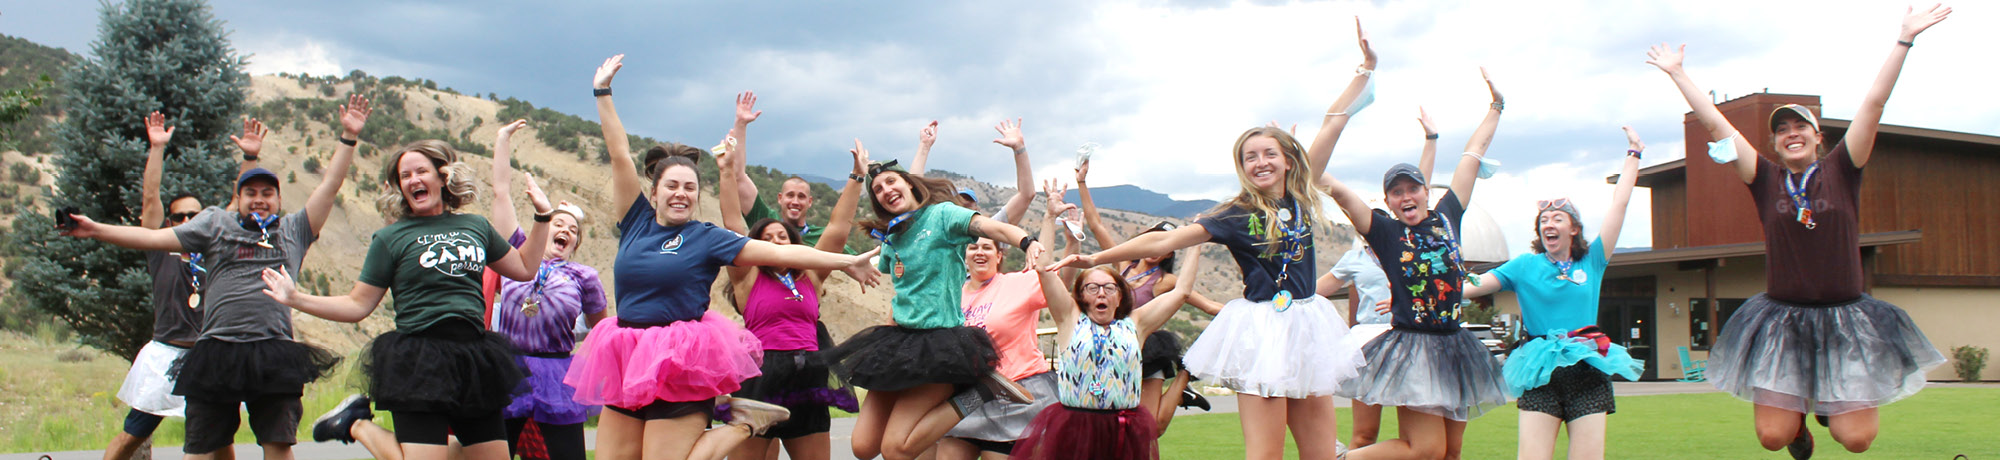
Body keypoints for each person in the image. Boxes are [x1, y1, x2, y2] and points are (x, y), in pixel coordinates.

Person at [1047, 18, 1377, 460]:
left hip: (1307, 328)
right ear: (1242, 166)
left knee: (1319, 454)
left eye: (1269, 154)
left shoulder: (1301, 194)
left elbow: (1332, 126)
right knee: (1265, 455)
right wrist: (1097, 257)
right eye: (1250, 156)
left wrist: (1363, 72)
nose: (1260, 162)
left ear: (1286, 160)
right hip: (1262, 331)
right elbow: (1161, 244)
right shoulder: (1235, 214)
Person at [1644, 6, 1951, 457]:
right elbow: (1716, 124)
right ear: (1773, 142)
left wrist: (1904, 39)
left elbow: (1874, 104)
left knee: (1857, 441)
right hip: (1783, 321)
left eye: (1799, 126)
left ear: (1817, 135)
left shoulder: (1844, 168)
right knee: (1773, 438)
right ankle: (1799, 428)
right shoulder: (1765, 178)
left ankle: (1827, 408)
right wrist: (1679, 74)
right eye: (1782, 129)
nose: (1791, 133)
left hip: (1847, 318)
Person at [570, 54, 883, 460]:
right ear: (654, 193)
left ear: (698, 196)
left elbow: (775, 249)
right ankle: (744, 421)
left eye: (689, 187)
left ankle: (742, 426)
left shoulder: (707, 238)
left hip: (678, 358)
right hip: (627, 352)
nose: (681, 193)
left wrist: (845, 262)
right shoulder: (635, 223)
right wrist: (602, 92)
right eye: (672, 186)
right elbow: (619, 153)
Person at [62, 96, 369, 460]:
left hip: (272, 350)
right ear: (237, 199)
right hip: (217, 351)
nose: (259, 199)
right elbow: (151, 235)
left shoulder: (295, 230)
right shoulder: (214, 225)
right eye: (250, 193)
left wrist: (348, 137)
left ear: (279, 199)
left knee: (278, 443)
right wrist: (95, 229)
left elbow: (330, 186)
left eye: (267, 193)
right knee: (202, 448)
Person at [261, 137, 559, 460]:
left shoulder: (476, 226)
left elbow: (526, 268)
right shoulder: (391, 238)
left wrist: (542, 217)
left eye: (421, 171)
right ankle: (357, 424)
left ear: (443, 176)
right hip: (419, 360)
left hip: (474, 359)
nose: (413, 180)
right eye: (405, 176)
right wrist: (295, 298)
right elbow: (357, 304)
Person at [827, 122, 1049, 460]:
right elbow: (887, 258)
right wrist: (851, 264)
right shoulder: (893, 236)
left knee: (895, 450)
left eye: (891, 181)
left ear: (909, 185)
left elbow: (988, 226)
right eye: (878, 190)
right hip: (897, 342)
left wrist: (1025, 240)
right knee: (862, 447)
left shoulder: (944, 216)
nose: (885, 190)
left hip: (939, 346)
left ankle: (978, 392)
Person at [1322, 68, 1509, 460]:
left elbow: (1472, 158)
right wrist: (1301, 156)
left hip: (1456, 345)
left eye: (1412, 188)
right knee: (1425, 449)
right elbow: (1337, 190)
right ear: (1388, 201)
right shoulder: (1386, 233)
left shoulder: (1447, 217)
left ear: (1426, 191)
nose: (1405, 196)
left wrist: (1496, 107)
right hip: (1414, 348)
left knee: (1450, 453)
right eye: (1396, 192)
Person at [1458, 127, 1647, 460]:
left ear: (1573, 228)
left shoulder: (1593, 260)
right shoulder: (1524, 266)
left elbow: (1620, 203)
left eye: (1557, 218)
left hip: (1587, 370)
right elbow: (1475, 285)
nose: (1549, 224)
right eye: (1544, 219)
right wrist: (1429, 289)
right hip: (1539, 370)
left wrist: (1633, 154)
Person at [101, 112, 259, 460]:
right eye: (180, 217)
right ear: (171, 222)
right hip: (165, 356)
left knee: (220, 440)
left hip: (209, 357)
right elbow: (149, 198)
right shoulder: (161, 249)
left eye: (194, 216)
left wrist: (249, 158)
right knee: (133, 433)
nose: (188, 221)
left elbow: (236, 204)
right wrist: (157, 148)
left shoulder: (216, 247)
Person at [715, 116, 868, 460]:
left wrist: (858, 175)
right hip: (759, 376)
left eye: (782, 237)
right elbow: (731, 224)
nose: (775, 243)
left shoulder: (810, 276)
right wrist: (726, 172)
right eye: (766, 240)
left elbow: (838, 227)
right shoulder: (747, 276)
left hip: (807, 376)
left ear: (796, 244)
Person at [1010, 227, 1202, 460]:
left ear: (1120, 295)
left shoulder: (1137, 323)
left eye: (1109, 288)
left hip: (1123, 428)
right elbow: (1044, 268)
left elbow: (1182, 292)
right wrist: (1050, 217)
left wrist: (1196, 242)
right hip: (1074, 426)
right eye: (1092, 287)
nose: (1101, 293)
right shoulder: (1069, 318)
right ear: (1081, 295)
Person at [1315, 108, 1439, 453]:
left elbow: (1420, 190)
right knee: (1366, 433)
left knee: (1418, 442)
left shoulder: (1407, 244)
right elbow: (1318, 290)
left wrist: (1431, 141)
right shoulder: (1355, 256)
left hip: (1412, 339)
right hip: (1371, 344)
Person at [485, 119, 608, 460]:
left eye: (572, 229)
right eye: (558, 222)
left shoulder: (584, 276)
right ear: (544, 225)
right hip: (509, 370)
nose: (565, 229)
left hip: (556, 372)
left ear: (574, 244)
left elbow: (601, 330)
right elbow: (501, 193)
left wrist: (590, 369)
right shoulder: (517, 253)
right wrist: (502, 138)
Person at [1073, 162, 1229, 431]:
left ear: (1169, 252)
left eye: (1165, 245)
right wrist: (1082, 183)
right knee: (1109, 420)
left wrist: (1249, 311)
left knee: (1152, 428)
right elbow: (1097, 224)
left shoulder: (1166, 280)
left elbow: (1206, 304)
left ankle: (1185, 376)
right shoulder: (1123, 266)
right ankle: (1182, 393)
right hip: (1113, 347)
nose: (1157, 248)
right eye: (1154, 239)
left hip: (1149, 349)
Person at [934, 177, 1069, 460]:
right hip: (969, 398)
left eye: (987, 247)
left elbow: (1044, 268)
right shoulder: (951, 295)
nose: (979, 251)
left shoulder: (1018, 284)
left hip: (1016, 396)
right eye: (973, 247)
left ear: (999, 254)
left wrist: (1049, 217)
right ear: (964, 254)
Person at [910, 119, 1036, 225]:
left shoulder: (989, 235)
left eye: (968, 205)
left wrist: (1019, 148)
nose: (963, 207)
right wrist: (924, 146)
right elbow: (913, 195)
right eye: (957, 204)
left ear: (978, 210)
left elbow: (1026, 195)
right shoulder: (937, 236)